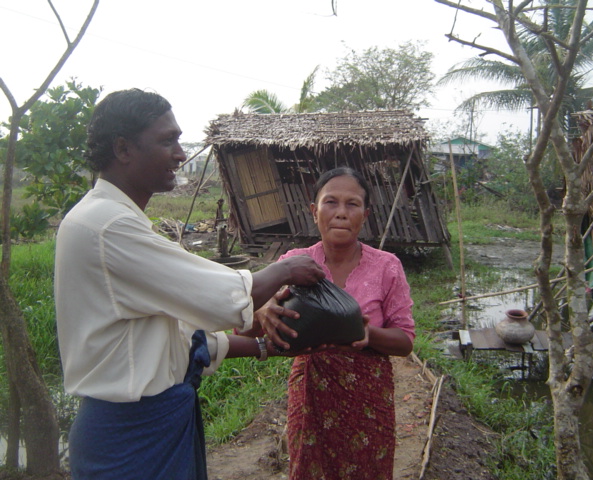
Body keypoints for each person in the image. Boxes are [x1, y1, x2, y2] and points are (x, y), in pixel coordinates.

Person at [53, 88, 325, 480]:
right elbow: (223, 299)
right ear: (124, 149)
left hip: (141, 426)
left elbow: (173, 340)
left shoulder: (100, 218)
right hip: (133, 436)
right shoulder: (110, 227)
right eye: (168, 141)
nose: (181, 154)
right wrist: (285, 270)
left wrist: (265, 346)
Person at [254, 166, 415, 479]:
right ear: (314, 211)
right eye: (331, 202)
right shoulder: (293, 263)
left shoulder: (386, 267)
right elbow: (249, 326)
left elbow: (405, 341)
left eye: (352, 204)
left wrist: (368, 334)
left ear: (365, 215)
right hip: (310, 398)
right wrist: (261, 309)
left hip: (368, 401)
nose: (341, 213)